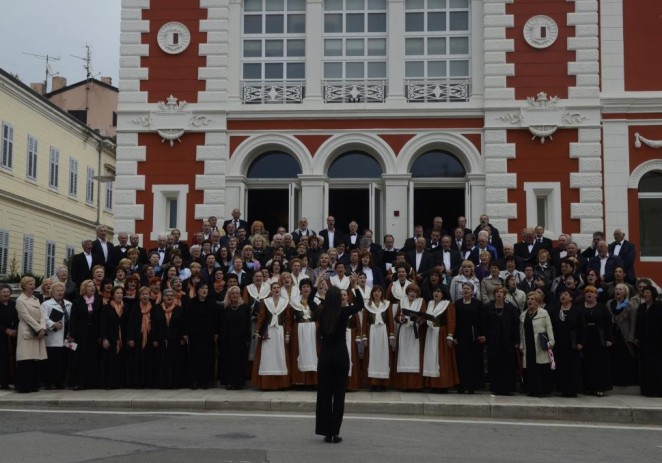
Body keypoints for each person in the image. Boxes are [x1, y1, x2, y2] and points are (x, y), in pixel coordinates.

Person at [315, 286, 364, 444]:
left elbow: (309, 301)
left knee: (324, 394)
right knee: (339, 396)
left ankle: (326, 432)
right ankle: (335, 432)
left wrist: (318, 287)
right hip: (340, 355)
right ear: (339, 299)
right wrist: (355, 287)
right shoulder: (344, 312)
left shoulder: (321, 312)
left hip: (325, 355)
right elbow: (360, 304)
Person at [252, 282, 292, 390]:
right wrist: (257, 331)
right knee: (267, 356)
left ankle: (281, 384)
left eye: (278, 287)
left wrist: (287, 334)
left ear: (280, 289)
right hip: (268, 331)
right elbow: (261, 317)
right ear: (271, 290)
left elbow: (288, 320)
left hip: (280, 331)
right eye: (274, 288)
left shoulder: (285, 302)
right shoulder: (265, 302)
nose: (276, 289)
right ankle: (266, 383)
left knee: (280, 355)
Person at [484, 286, 520, 395]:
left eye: (501, 292)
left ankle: (508, 388)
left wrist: (517, 341)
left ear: (504, 295)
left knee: (507, 364)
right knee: (494, 364)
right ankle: (496, 387)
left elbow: (516, 326)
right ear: (494, 295)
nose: (499, 294)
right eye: (497, 292)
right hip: (493, 341)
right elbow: (484, 324)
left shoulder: (511, 308)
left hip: (508, 341)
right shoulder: (488, 308)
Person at [549, 289, 585, 397]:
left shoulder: (577, 311)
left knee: (573, 367)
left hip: (573, 342)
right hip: (559, 342)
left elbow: (583, 328)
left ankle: (573, 389)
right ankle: (563, 389)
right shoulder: (555, 310)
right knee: (561, 367)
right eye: (561, 294)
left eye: (565, 294)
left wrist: (580, 342)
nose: (562, 296)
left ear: (571, 298)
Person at [423, 285, 459, 392]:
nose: (436, 293)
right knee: (431, 359)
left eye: (438, 291)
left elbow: (451, 321)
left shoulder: (447, 304)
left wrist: (450, 336)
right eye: (434, 291)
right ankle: (432, 384)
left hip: (441, 334)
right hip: (430, 333)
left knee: (441, 359)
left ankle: (443, 385)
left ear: (443, 293)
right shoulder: (430, 303)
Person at [14, 276, 47, 393]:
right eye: (30, 284)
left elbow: (42, 315)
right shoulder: (20, 300)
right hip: (27, 332)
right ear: (24, 286)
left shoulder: (36, 299)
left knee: (34, 360)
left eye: (33, 284)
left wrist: (43, 328)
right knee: (25, 359)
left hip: (38, 332)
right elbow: (26, 317)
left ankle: (34, 385)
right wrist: (38, 329)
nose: (33, 286)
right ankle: (24, 386)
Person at [520, 291, 555, 397]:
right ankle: (531, 389)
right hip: (528, 343)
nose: (529, 301)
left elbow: (549, 327)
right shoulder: (523, 314)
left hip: (540, 343)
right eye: (528, 299)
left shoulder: (544, 313)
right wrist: (521, 343)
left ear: (537, 302)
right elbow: (521, 330)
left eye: (532, 299)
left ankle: (542, 390)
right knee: (530, 367)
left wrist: (551, 341)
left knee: (541, 366)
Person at [69, 279, 102, 390]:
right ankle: (80, 382)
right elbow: (73, 320)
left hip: (94, 335)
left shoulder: (98, 300)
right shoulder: (77, 301)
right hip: (81, 335)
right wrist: (72, 334)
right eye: (89, 286)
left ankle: (92, 382)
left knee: (93, 358)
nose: (92, 288)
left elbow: (101, 319)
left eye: (93, 286)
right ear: (84, 288)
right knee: (80, 359)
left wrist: (101, 335)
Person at [152, 288, 188, 389]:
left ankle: (174, 384)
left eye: (171, 296)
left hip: (175, 340)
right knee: (162, 362)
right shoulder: (157, 309)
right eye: (167, 295)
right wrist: (154, 339)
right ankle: (162, 383)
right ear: (163, 297)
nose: (169, 297)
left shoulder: (179, 309)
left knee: (174, 362)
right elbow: (154, 325)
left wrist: (182, 337)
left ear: (174, 298)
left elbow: (183, 325)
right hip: (161, 339)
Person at [581, 285, 613, 397]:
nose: (589, 294)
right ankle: (588, 387)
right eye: (587, 292)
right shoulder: (580, 307)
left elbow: (609, 324)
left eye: (592, 292)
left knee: (599, 364)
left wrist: (609, 338)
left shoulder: (602, 307)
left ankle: (600, 388)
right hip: (585, 338)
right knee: (586, 363)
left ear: (596, 295)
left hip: (599, 339)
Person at [393, 284, 426, 391]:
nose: (412, 293)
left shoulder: (421, 301)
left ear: (417, 293)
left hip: (415, 331)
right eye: (410, 291)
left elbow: (423, 316)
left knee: (414, 356)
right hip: (404, 331)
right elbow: (397, 316)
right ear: (407, 292)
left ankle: (415, 385)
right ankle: (403, 385)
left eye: (414, 291)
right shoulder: (402, 301)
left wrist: (418, 319)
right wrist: (401, 318)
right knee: (403, 355)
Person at [184, 282, 216, 390]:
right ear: (197, 291)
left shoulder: (212, 303)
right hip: (194, 335)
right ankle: (194, 380)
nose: (204, 290)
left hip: (207, 335)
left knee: (206, 358)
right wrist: (185, 333)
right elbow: (186, 318)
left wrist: (215, 332)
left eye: (206, 288)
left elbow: (215, 319)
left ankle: (204, 381)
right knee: (194, 358)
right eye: (202, 288)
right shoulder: (190, 303)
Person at [454, 282, 485, 394]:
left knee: (472, 362)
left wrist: (481, 334)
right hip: (460, 335)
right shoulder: (457, 304)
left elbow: (481, 321)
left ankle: (472, 386)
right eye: (464, 288)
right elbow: (455, 321)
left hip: (473, 336)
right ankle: (462, 385)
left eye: (468, 288)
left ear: (472, 291)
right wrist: (454, 336)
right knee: (461, 361)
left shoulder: (478, 304)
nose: (466, 290)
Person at [40, 281, 72, 389]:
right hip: (53, 336)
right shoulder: (46, 304)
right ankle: (50, 382)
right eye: (57, 291)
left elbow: (72, 319)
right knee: (52, 360)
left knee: (63, 359)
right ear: (52, 293)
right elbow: (43, 318)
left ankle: (60, 382)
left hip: (66, 336)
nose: (60, 292)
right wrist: (53, 324)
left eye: (62, 290)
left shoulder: (69, 304)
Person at [289, 278, 319, 386]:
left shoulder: (317, 301)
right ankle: (300, 381)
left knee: (313, 354)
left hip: (313, 331)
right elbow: (289, 319)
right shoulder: (294, 302)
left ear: (311, 289)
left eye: (308, 287)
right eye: (304, 287)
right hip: (299, 330)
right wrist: (288, 333)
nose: (306, 289)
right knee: (299, 353)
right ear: (300, 289)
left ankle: (313, 382)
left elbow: (320, 317)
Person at [607, 283, 638, 386]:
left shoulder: (630, 305)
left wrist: (631, 336)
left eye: (620, 289)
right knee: (612, 358)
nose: (618, 291)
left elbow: (633, 322)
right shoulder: (609, 303)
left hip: (624, 335)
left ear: (625, 292)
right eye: (616, 289)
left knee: (624, 358)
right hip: (612, 334)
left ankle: (624, 380)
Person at [363, 285, 393, 391]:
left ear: (382, 293)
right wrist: (364, 337)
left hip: (383, 332)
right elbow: (364, 321)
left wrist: (391, 336)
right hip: (372, 332)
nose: (377, 293)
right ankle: (373, 383)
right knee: (372, 356)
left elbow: (390, 321)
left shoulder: (387, 304)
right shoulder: (367, 305)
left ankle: (383, 383)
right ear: (372, 293)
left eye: (379, 291)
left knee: (383, 356)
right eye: (375, 291)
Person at [126, 286, 157, 388]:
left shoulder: (154, 307)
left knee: (149, 361)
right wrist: (130, 338)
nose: (145, 296)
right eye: (143, 294)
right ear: (139, 296)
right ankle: (138, 382)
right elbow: (130, 324)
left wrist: (155, 339)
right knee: (137, 361)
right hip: (137, 338)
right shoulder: (135, 308)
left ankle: (149, 382)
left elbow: (157, 324)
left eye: (147, 294)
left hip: (149, 338)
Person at [634, 285, 662, 397]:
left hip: (656, 342)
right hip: (643, 341)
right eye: (644, 292)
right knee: (645, 366)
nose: (645, 294)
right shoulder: (641, 307)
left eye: (648, 292)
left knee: (656, 366)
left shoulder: (659, 306)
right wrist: (636, 336)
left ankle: (658, 390)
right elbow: (638, 323)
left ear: (653, 294)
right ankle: (646, 389)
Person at [100, 286, 128, 389]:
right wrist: (104, 338)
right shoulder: (107, 307)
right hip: (111, 337)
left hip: (122, 338)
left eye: (121, 293)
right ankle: (109, 383)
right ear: (112, 295)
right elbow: (103, 324)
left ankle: (120, 382)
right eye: (117, 293)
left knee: (120, 361)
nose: (120, 295)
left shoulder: (126, 307)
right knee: (110, 362)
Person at [0, 284, 18, 389]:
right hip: (1, 336)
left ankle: (13, 380)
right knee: (2, 359)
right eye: (3, 292)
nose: (6, 294)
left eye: (7, 292)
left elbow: (17, 318)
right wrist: (6, 330)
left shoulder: (13, 304)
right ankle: (3, 382)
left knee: (12, 359)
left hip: (12, 336)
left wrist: (15, 329)